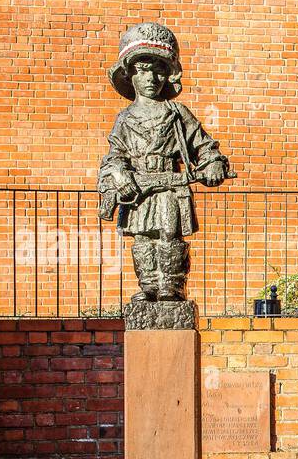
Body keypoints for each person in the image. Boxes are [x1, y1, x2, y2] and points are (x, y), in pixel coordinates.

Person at [98, 22, 230, 303]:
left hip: (171, 187)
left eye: (159, 70)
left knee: (170, 238)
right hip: (139, 190)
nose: (152, 78)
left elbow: (204, 147)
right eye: (144, 70)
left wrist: (213, 163)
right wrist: (120, 175)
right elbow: (114, 157)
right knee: (143, 239)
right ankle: (148, 285)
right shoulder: (124, 119)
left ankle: (171, 286)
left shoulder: (178, 113)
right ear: (131, 75)